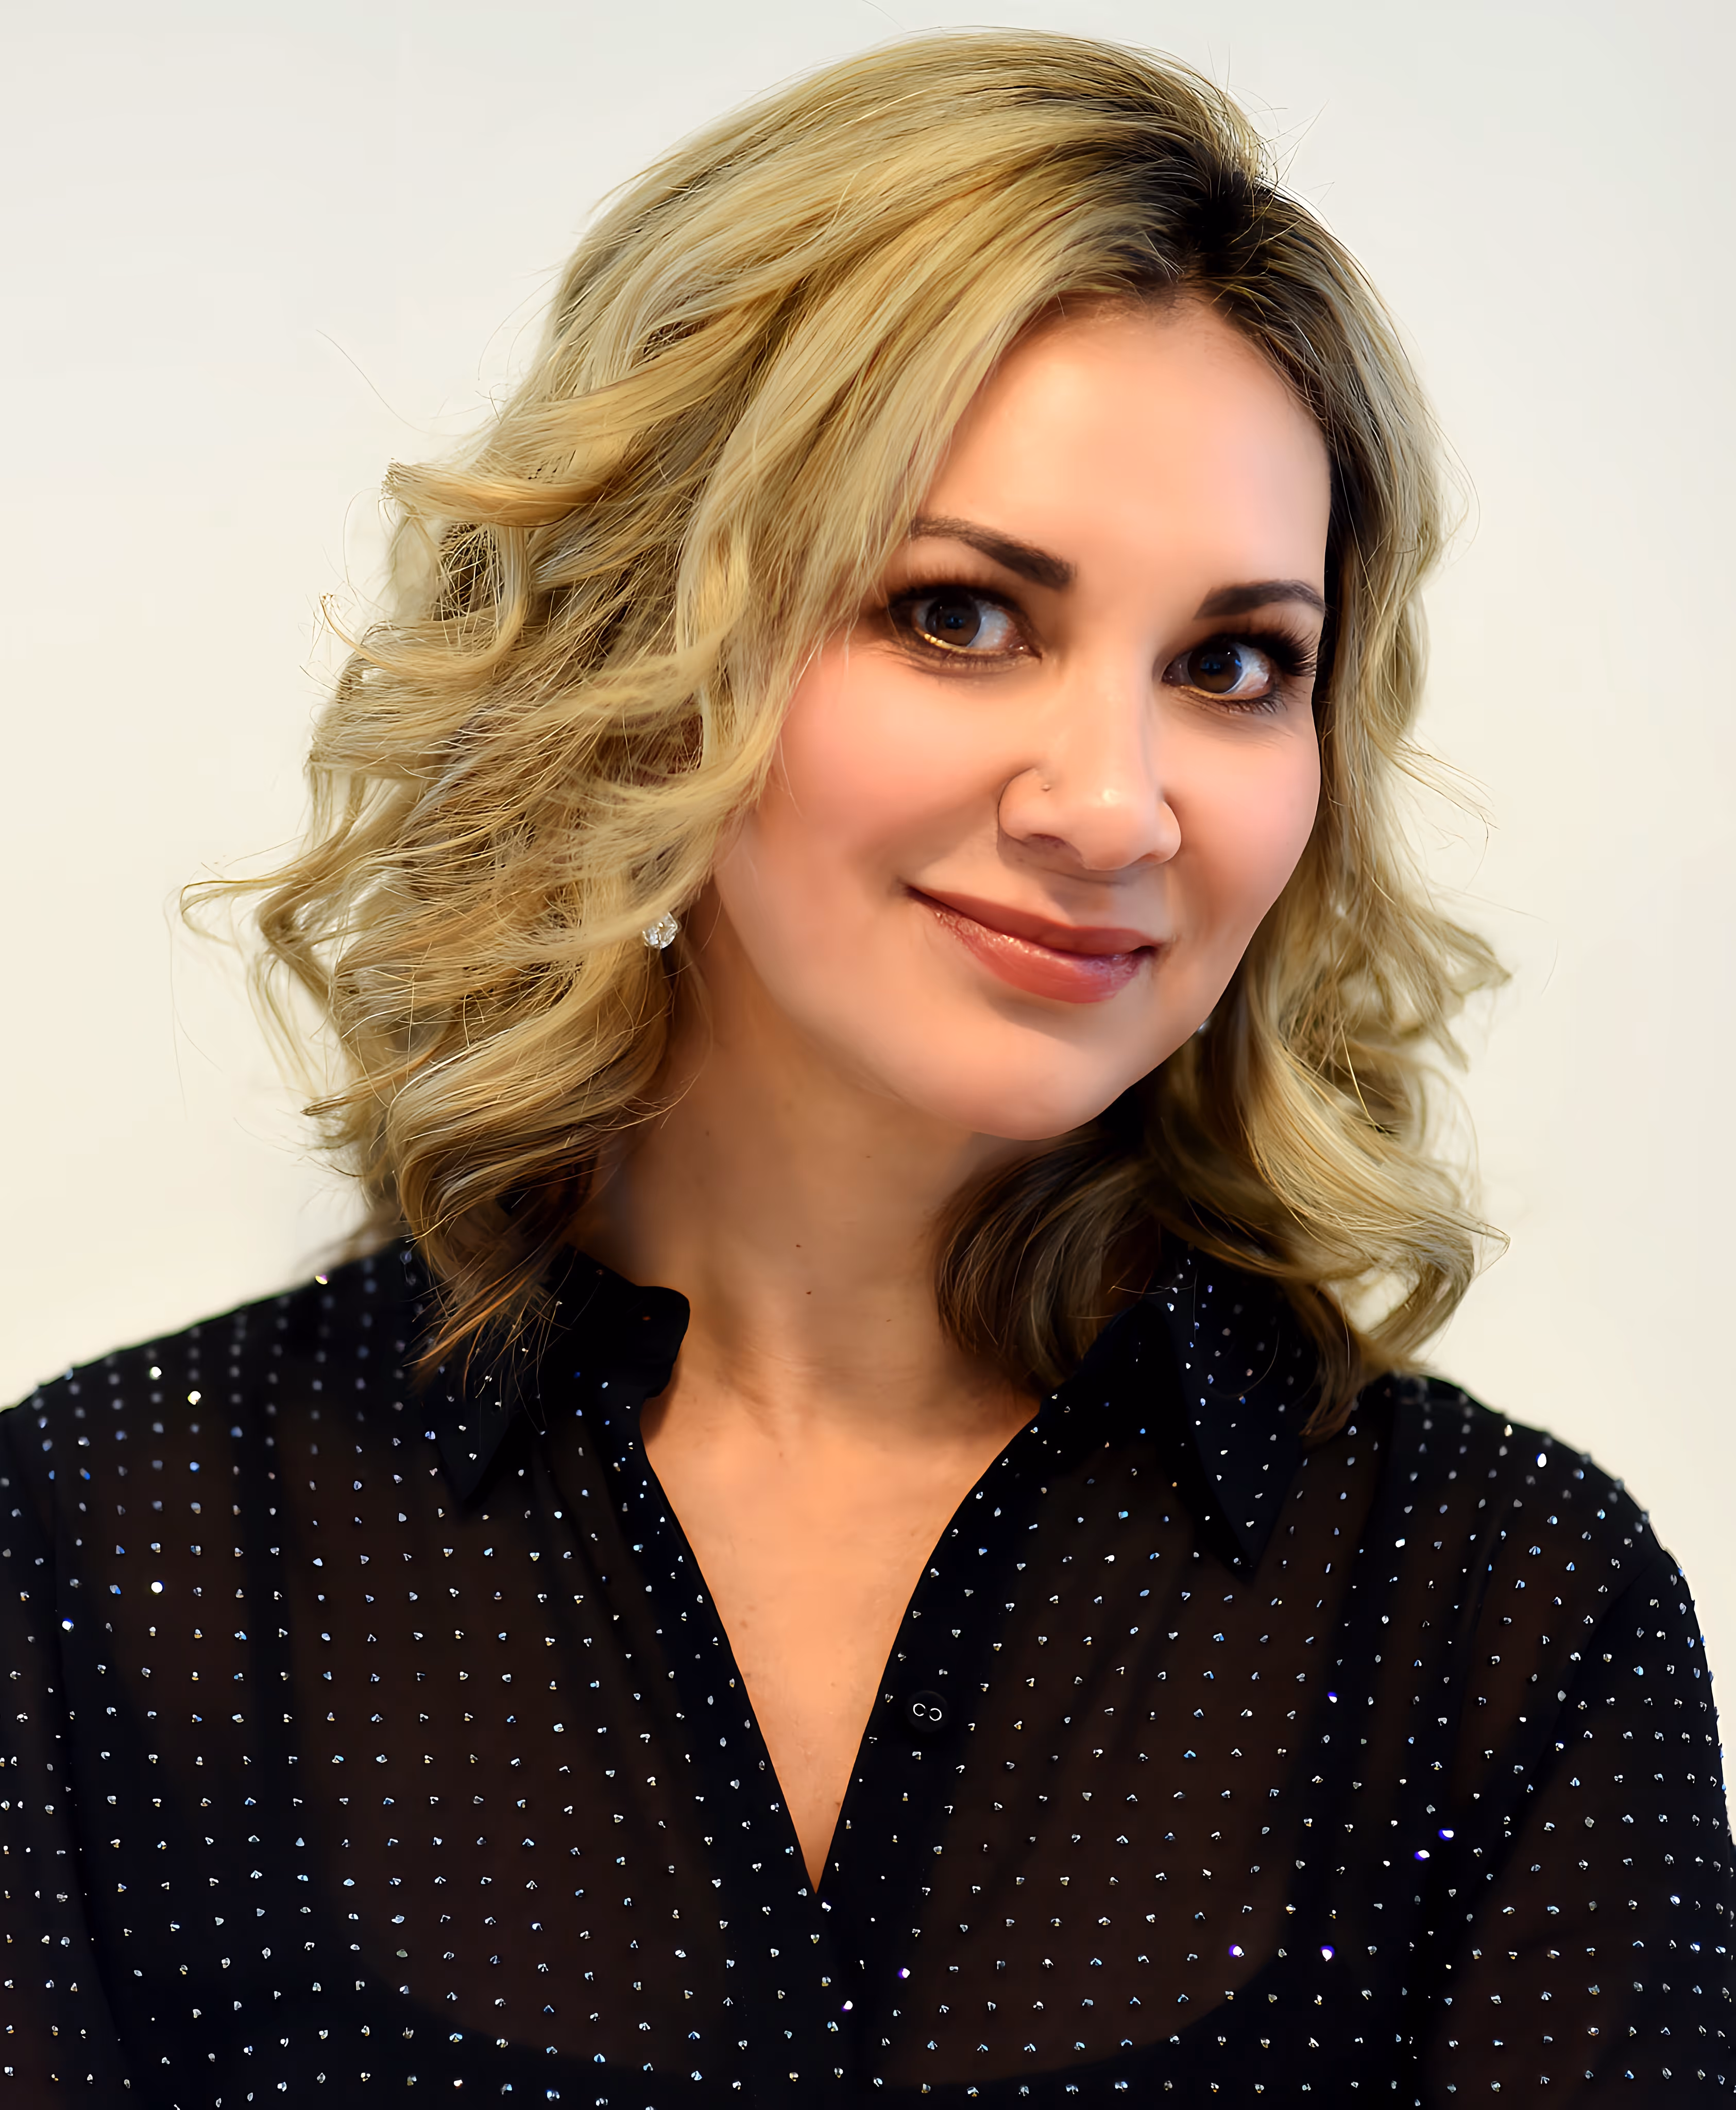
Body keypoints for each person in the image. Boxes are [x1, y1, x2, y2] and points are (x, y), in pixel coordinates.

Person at [3, 29, 1729, 2105]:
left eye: (1230, 664)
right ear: (646, 644)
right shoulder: (120, 1561)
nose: (1114, 805)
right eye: (959, 614)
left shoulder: (1500, 1621)